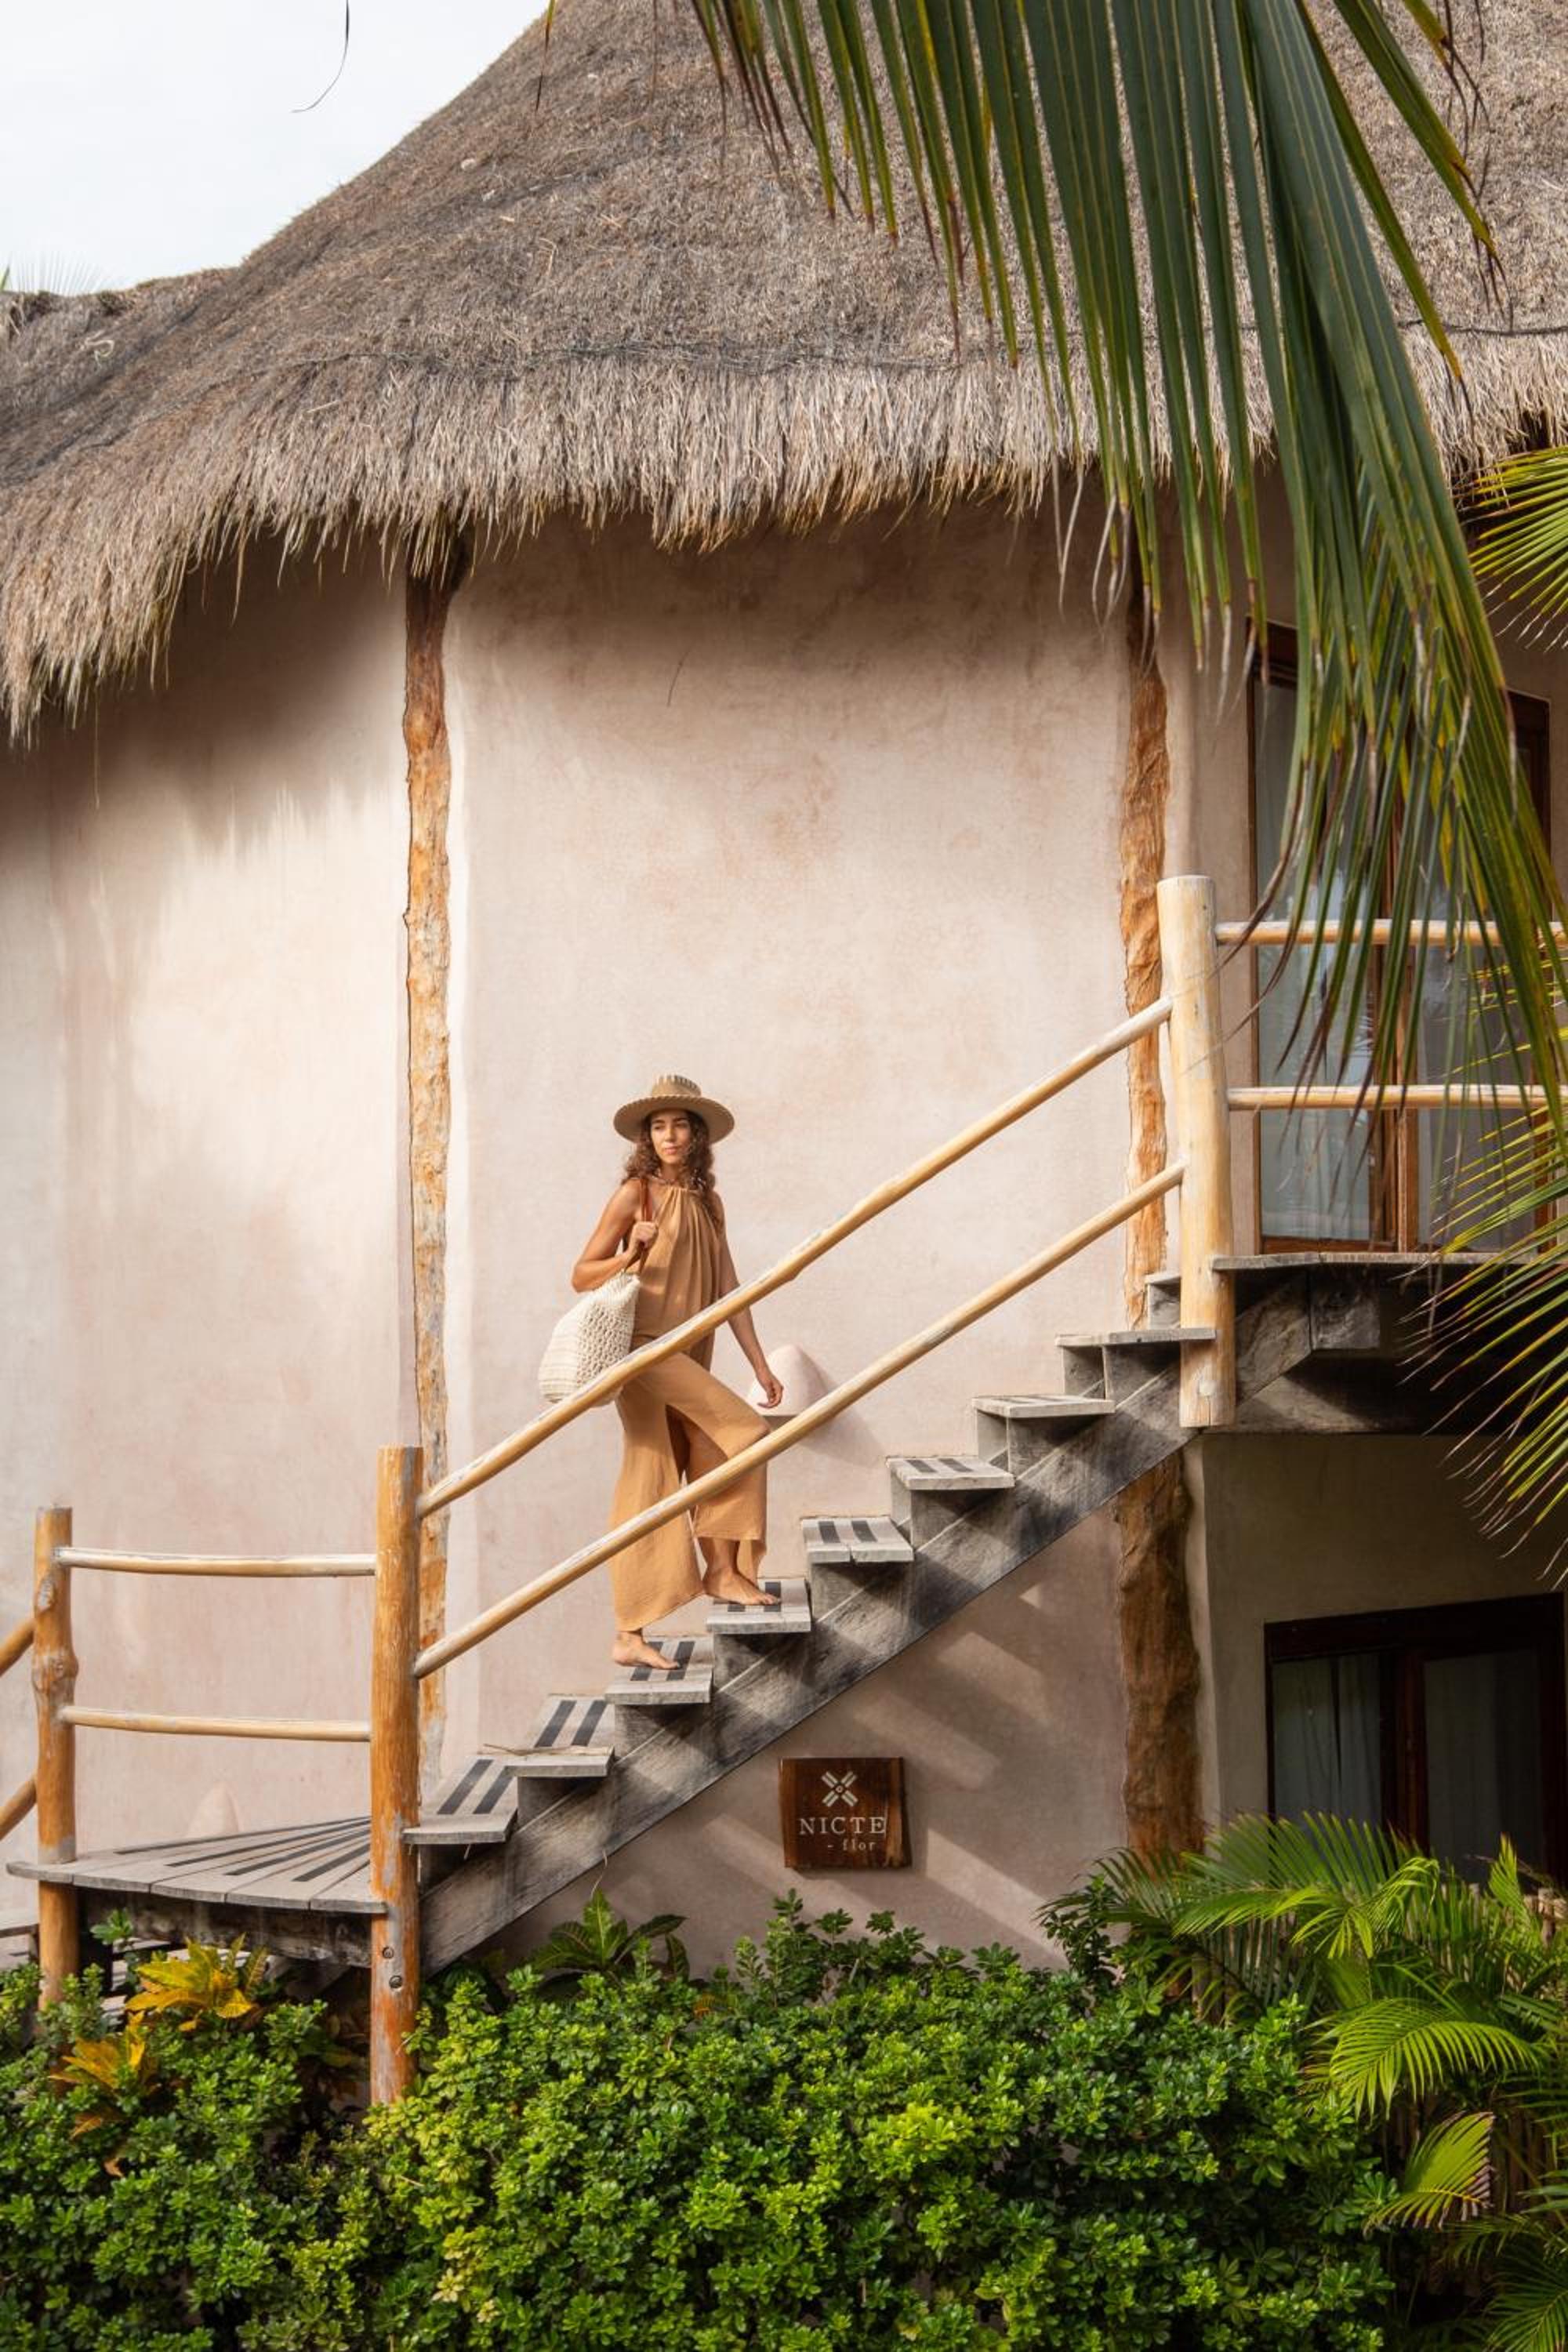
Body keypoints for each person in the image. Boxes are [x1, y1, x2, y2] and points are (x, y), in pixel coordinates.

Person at [572, 1074, 784, 1671]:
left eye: (680, 1125)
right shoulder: (634, 1195)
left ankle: (700, 1584)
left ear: (697, 1136)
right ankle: (671, 1601)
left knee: (698, 1452)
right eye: (659, 1126)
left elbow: (729, 1289)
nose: (669, 1136)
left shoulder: (708, 1202)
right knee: (735, 1435)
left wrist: (759, 1363)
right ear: (648, 1137)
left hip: (692, 1349)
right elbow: (581, 1274)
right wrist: (630, 1252)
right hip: (645, 1350)